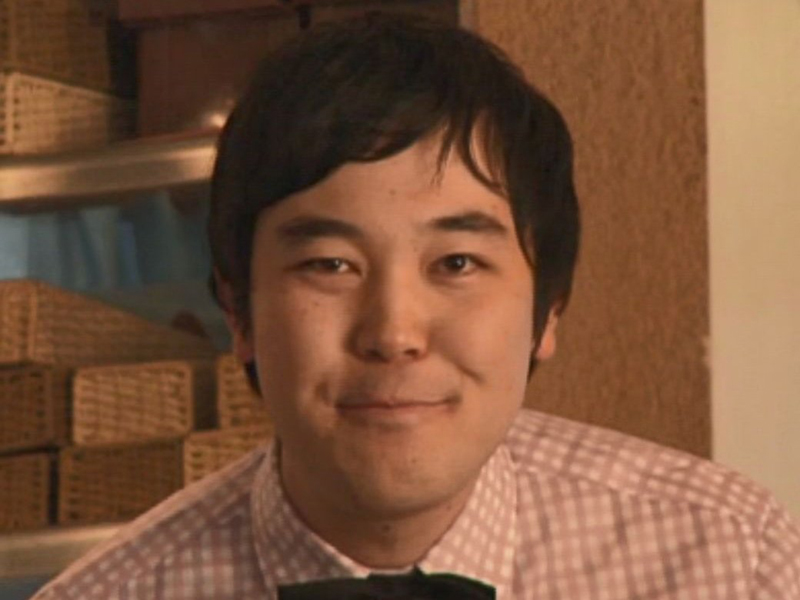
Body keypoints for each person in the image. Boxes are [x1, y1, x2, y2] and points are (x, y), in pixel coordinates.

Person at [34, 14, 799, 600]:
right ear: (239, 311)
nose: (394, 333)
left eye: (457, 263)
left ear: (549, 309)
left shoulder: (731, 561)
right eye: (330, 264)